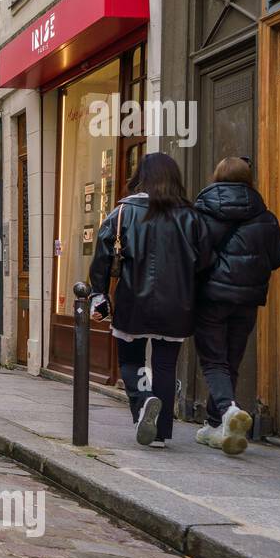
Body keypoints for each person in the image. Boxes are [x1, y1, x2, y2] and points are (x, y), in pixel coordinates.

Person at [90, 153, 212, 449]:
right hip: (177, 304)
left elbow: (102, 258)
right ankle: (160, 434)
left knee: (130, 360)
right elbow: (205, 262)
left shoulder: (122, 213)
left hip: (134, 300)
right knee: (166, 366)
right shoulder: (192, 216)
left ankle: (143, 403)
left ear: (140, 176)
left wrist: (99, 292)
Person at [192, 156, 280, 455]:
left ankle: (228, 410)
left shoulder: (203, 212)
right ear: (249, 180)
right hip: (247, 300)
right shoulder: (266, 216)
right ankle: (214, 424)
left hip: (212, 298)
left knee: (213, 361)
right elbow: (276, 259)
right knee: (230, 360)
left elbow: (196, 256)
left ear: (217, 176)